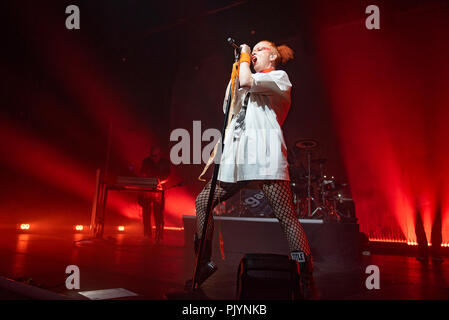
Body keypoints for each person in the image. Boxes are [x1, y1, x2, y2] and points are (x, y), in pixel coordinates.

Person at [189, 40, 315, 298]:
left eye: (259, 49)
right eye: (252, 49)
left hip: (264, 156)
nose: (253, 53)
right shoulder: (247, 76)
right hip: (237, 158)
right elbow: (228, 107)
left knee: (286, 217)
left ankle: (305, 272)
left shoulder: (279, 77)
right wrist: (238, 67)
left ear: (272, 57)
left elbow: (247, 82)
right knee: (203, 201)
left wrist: (245, 55)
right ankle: (203, 263)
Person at [139, 146, 170, 242]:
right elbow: (142, 173)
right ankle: (147, 233)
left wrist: (159, 182)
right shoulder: (146, 161)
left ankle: (158, 233)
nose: (154, 158)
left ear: (160, 154)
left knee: (158, 213)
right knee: (146, 211)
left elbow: (168, 176)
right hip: (148, 189)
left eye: (155, 156)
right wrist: (145, 182)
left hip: (159, 190)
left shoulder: (165, 163)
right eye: (152, 156)